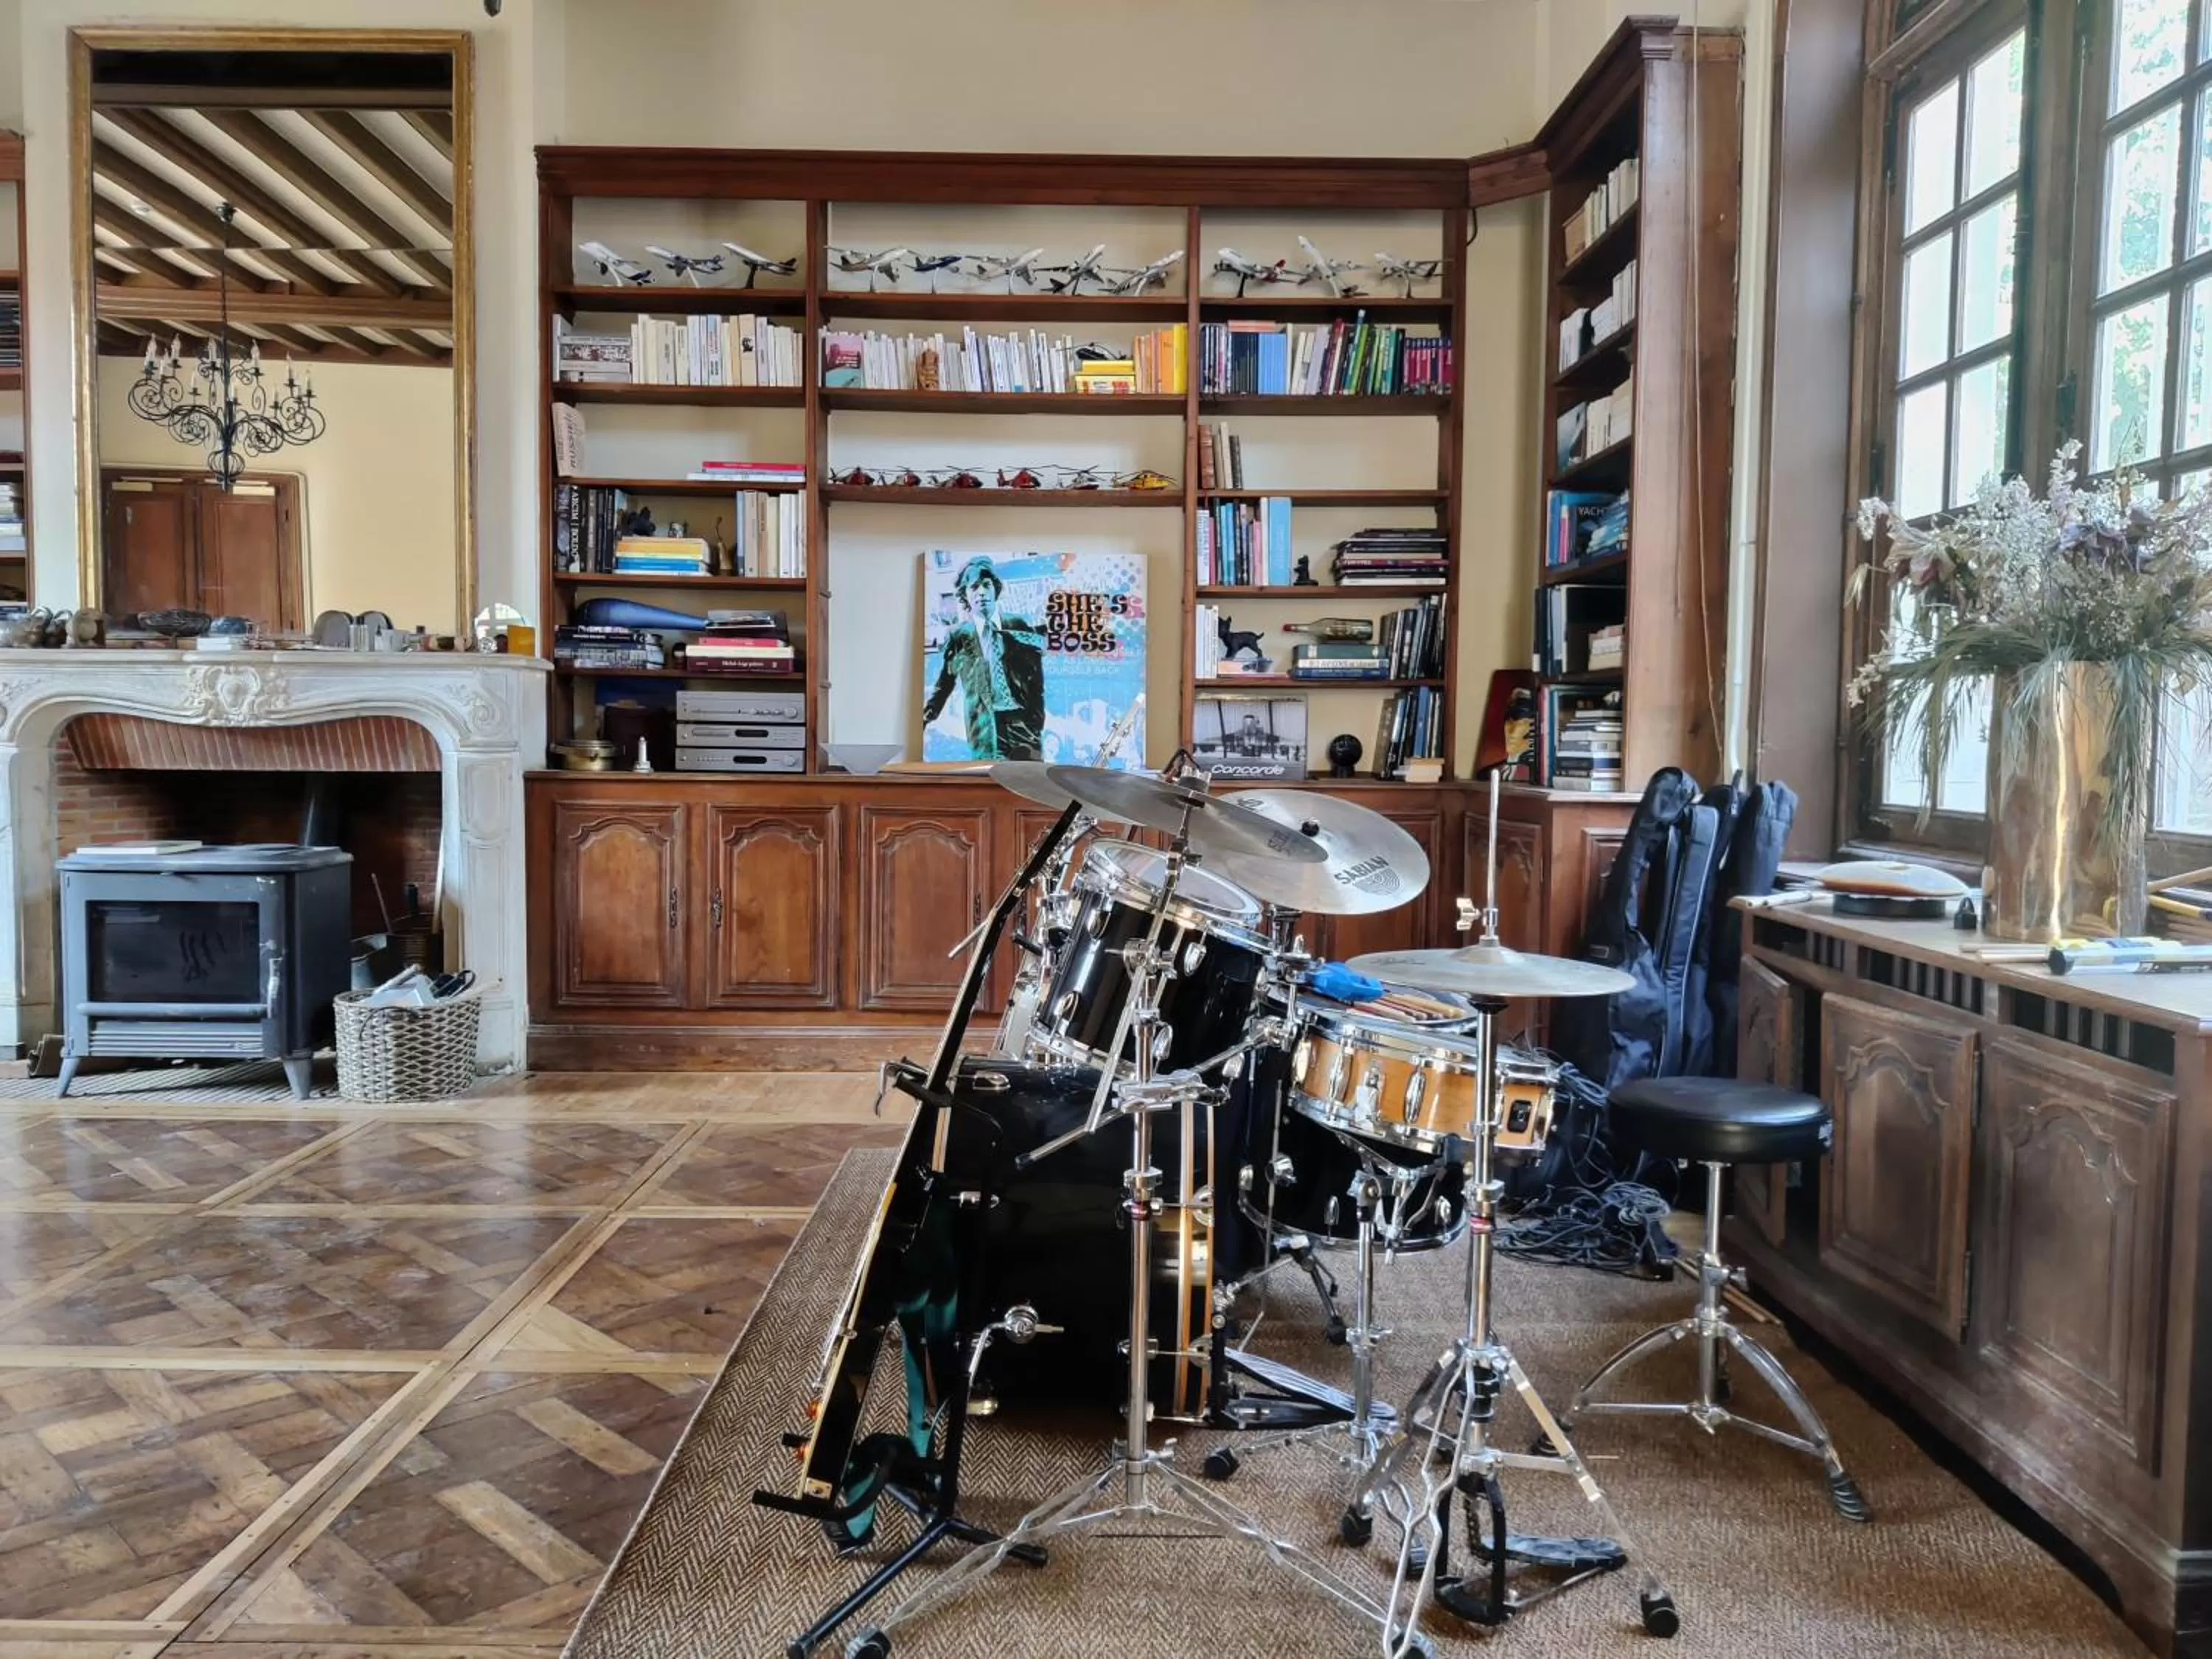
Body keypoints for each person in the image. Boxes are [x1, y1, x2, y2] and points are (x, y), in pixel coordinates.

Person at [923, 557, 1048, 759]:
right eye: (974, 587)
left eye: (986, 585)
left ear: (995, 589)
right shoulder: (959, 636)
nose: (981, 592)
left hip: (1021, 727)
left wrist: (1035, 724)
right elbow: (944, 685)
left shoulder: (1017, 625)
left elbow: (1036, 681)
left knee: (1027, 783)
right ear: (965, 595)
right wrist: (925, 717)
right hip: (984, 730)